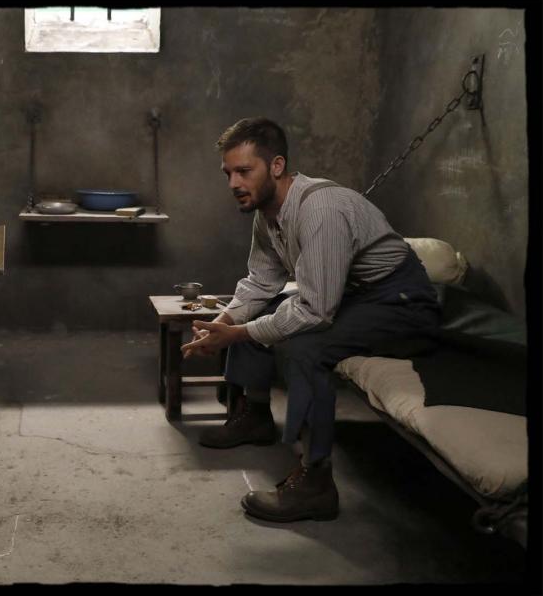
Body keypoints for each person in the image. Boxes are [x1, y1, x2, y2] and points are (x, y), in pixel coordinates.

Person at [181, 117, 440, 523]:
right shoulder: (267, 213)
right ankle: (255, 416)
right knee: (263, 311)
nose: (233, 182)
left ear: (277, 166)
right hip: (355, 297)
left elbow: (316, 311)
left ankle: (316, 482)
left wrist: (236, 334)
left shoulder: (320, 209)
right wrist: (225, 321)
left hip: (401, 303)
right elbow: (261, 282)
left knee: (304, 346)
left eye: (244, 171)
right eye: (228, 173)